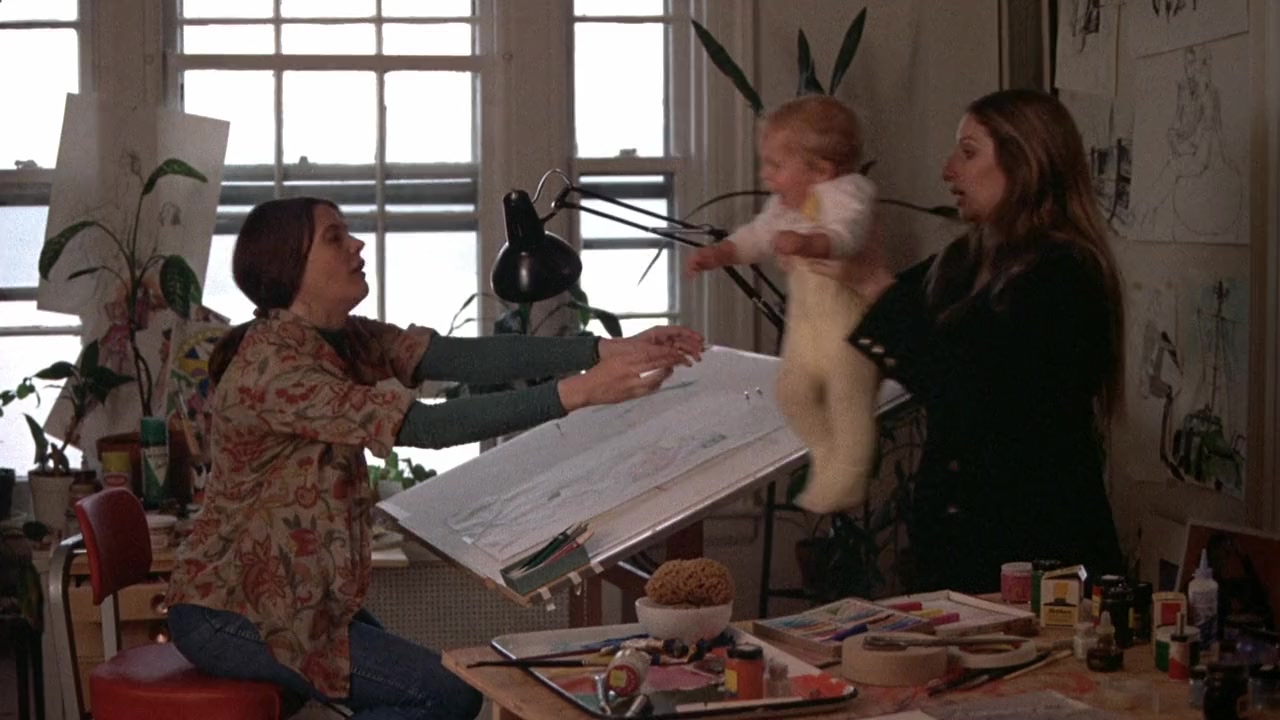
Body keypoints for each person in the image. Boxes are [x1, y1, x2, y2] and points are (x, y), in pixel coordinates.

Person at [164, 196, 704, 720]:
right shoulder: (273, 369)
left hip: (294, 596)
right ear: (290, 268)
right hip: (231, 610)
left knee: (430, 691)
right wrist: (581, 391)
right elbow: (425, 426)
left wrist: (604, 349)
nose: (356, 245)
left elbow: (454, 356)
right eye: (334, 237)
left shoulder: (337, 338)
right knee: (444, 696)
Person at [807, 89, 1126, 593]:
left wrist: (873, 285)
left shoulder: (1066, 274)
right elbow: (894, 330)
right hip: (957, 556)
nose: (949, 169)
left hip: (1038, 556)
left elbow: (971, 389)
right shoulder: (962, 260)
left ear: (1024, 163)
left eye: (969, 152)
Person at [686, 94, 880, 514]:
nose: (766, 176)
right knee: (791, 392)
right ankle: (824, 454)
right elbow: (757, 237)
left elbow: (848, 235)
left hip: (850, 327)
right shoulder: (784, 207)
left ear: (820, 170)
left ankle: (848, 474)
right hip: (806, 329)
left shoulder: (848, 192)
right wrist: (720, 253)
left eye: (776, 165)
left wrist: (809, 242)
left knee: (848, 397)